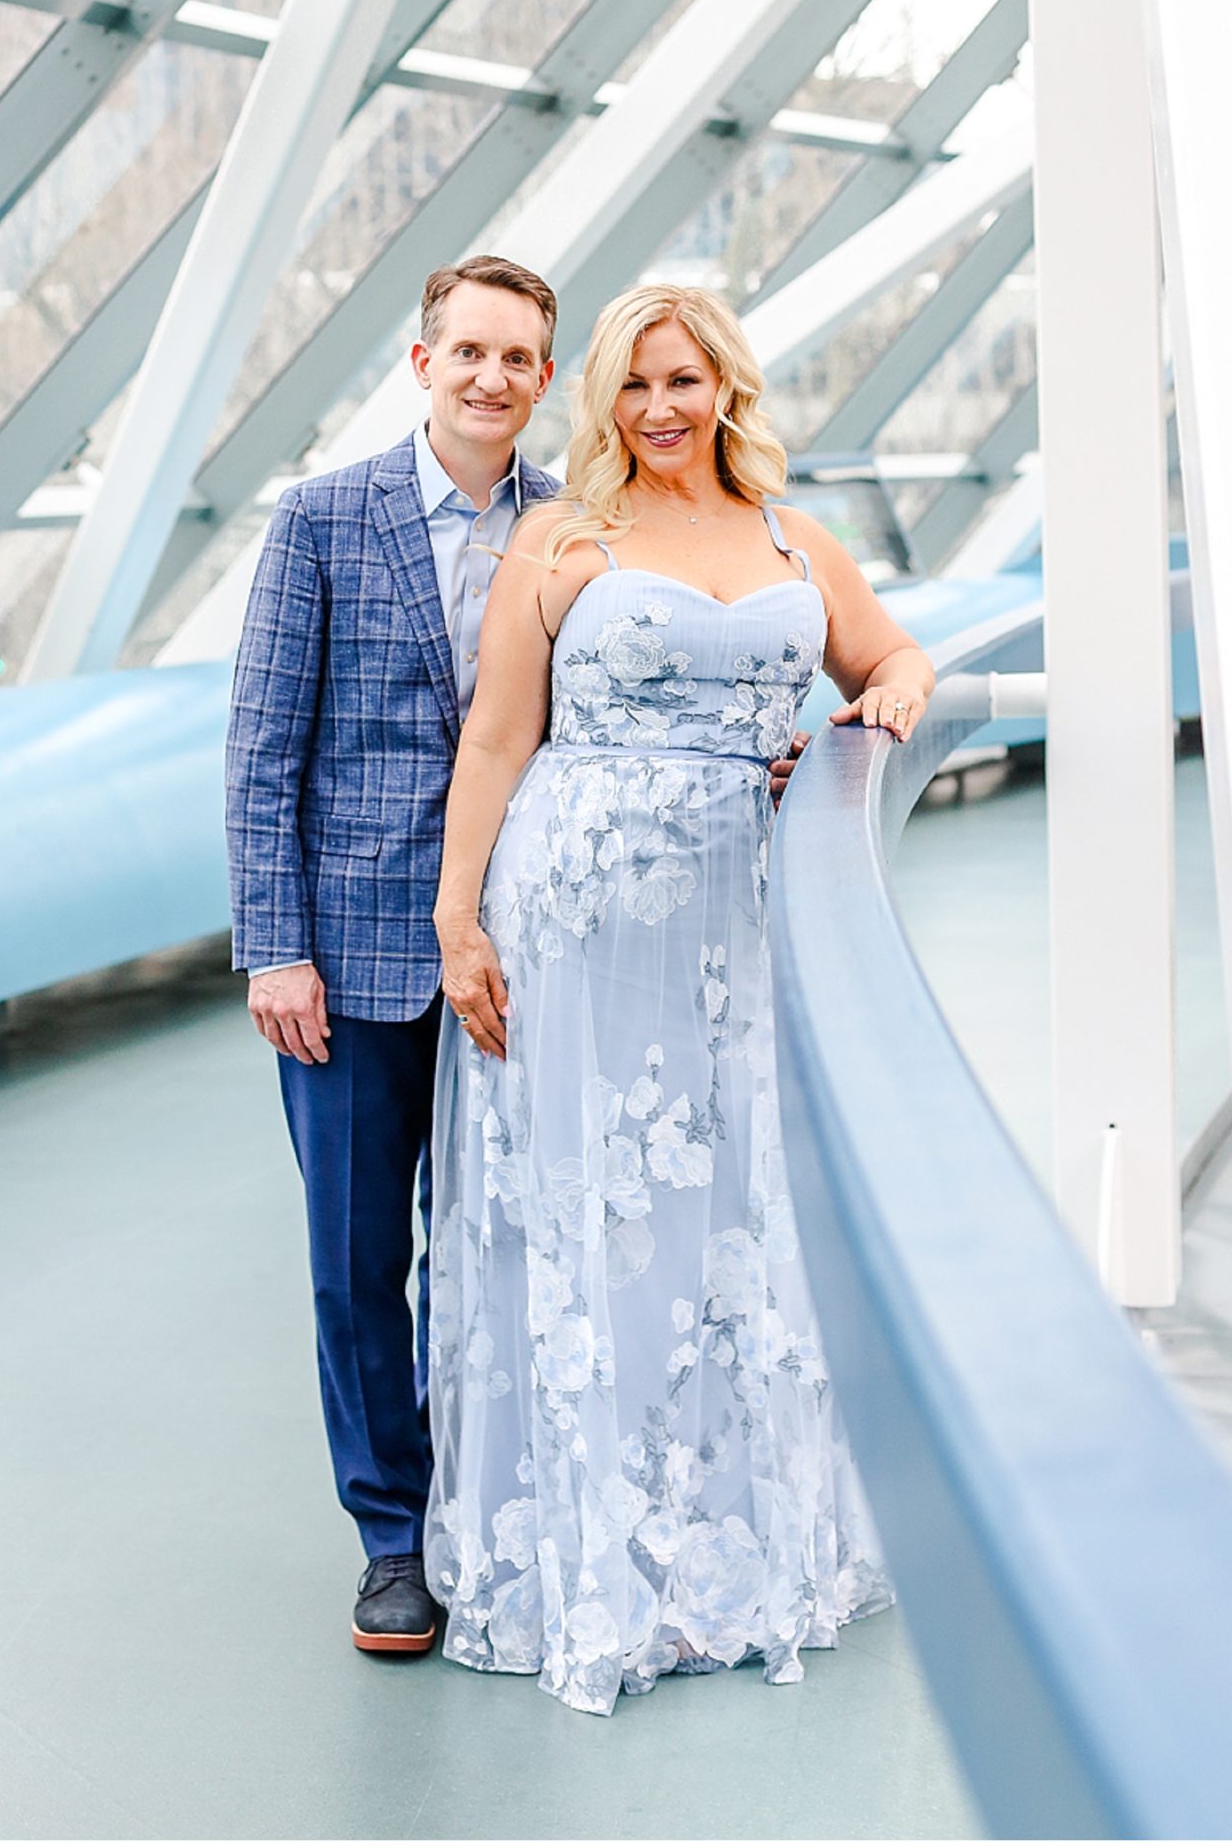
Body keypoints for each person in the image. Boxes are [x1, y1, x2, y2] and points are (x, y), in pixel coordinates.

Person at [424, 282, 936, 1715]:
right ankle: (595, 1554)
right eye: (634, 385)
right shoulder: (562, 538)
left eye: (683, 381)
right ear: (603, 398)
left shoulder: (791, 538)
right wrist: (460, 921)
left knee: (728, 1207)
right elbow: (494, 738)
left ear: (725, 389)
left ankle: (728, 1541)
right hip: (572, 919)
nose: (659, 409)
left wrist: (880, 704)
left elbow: (889, 652)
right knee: (595, 1208)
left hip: (740, 916)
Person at [225, 255, 561, 1657]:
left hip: (520, 954)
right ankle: (390, 1538)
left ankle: (491, 1511)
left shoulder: (577, 523)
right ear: (421, 363)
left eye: (520, 358)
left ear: (546, 379)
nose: (493, 378)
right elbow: (261, 749)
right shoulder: (318, 521)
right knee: (358, 1262)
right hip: (350, 963)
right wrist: (274, 949)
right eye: (469, 352)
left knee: (496, 1251)